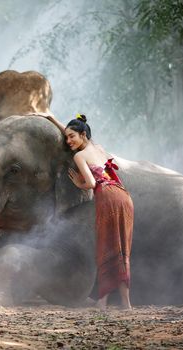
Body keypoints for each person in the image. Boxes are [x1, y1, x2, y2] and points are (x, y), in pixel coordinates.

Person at [36, 112, 134, 310]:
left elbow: (90, 183)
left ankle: (104, 301)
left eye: (72, 137)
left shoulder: (80, 156)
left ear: (83, 135)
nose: (68, 140)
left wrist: (78, 182)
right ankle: (124, 302)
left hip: (107, 197)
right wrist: (52, 118)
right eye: (66, 137)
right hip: (124, 197)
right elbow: (75, 130)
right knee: (121, 249)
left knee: (106, 246)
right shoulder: (98, 148)